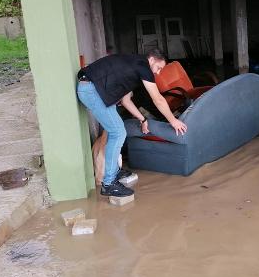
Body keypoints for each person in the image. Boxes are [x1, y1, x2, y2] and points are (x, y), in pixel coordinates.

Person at [76, 49, 187, 197]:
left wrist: (143, 119)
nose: (158, 73)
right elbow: (158, 99)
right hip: (91, 89)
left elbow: (126, 101)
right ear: (152, 60)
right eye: (159, 68)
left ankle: (113, 171)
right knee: (118, 132)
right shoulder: (143, 67)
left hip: (93, 89)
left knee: (116, 131)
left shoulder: (132, 65)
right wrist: (173, 121)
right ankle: (109, 184)